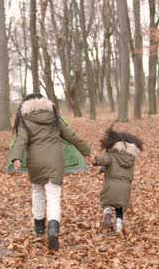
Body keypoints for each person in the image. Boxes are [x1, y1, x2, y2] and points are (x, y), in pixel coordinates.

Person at [9, 93, 92, 251]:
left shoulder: (25, 120)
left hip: (36, 163)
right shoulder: (54, 117)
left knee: (38, 193)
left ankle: (39, 230)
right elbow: (71, 136)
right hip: (55, 161)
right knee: (53, 196)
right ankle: (53, 230)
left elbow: (20, 140)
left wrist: (16, 158)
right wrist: (87, 152)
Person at [93, 126, 143, 233]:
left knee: (106, 201)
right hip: (125, 188)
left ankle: (107, 212)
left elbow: (104, 160)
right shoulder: (131, 158)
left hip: (110, 185)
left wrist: (95, 161)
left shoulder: (112, 155)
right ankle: (119, 225)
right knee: (120, 207)